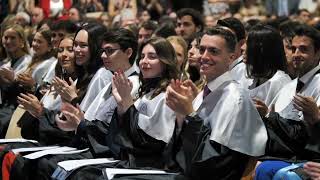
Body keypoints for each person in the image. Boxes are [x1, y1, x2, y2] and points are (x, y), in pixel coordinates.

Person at [166, 26, 268, 179]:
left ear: (232, 57)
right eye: (202, 49)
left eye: (213, 51)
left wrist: (190, 114)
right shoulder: (203, 93)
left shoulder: (235, 98)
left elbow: (214, 162)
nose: (204, 56)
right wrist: (181, 116)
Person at [255, 23, 320, 180]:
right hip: (285, 151)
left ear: (318, 53)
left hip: (308, 154)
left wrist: (315, 116)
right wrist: (266, 114)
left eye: (303, 49)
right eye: (293, 49)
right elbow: (275, 119)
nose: (296, 54)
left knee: (278, 173)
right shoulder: (290, 86)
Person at [244, 24, 291, 108]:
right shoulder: (256, 79)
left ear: (261, 49)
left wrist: (266, 115)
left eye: (248, 44)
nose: (243, 48)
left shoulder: (279, 82)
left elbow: (284, 119)